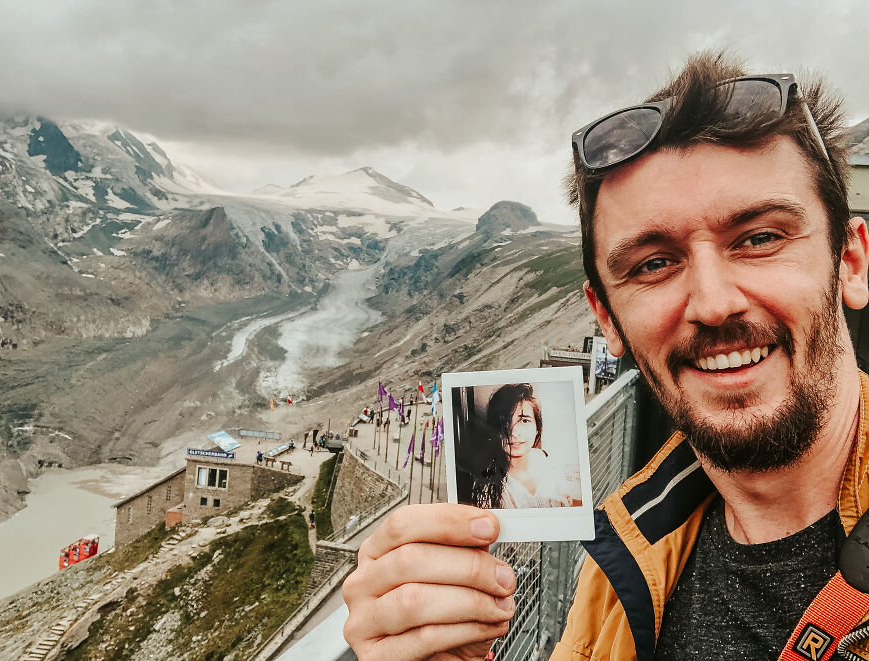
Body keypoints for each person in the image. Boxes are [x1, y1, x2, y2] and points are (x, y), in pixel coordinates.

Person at [342, 51, 869, 660]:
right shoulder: (621, 566)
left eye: (760, 238)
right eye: (653, 264)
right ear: (607, 319)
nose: (714, 303)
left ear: (850, 261)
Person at [469, 383, 580, 509]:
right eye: (504, 421)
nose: (514, 432)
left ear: (537, 428)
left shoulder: (545, 460)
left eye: (524, 421)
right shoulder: (487, 488)